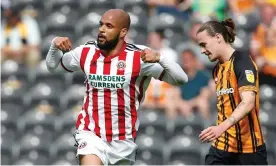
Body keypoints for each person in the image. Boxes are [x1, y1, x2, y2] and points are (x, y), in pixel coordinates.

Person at [45, 9, 188, 165]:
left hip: (123, 140)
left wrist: (160, 57)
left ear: (123, 32)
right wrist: (54, 45)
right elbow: (54, 66)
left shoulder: (138, 57)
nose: (102, 29)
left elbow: (180, 79)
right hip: (91, 134)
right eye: (101, 25)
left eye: (109, 26)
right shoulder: (86, 52)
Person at [196, 18, 267, 165]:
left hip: (249, 149)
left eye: (204, 45)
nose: (202, 51)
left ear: (218, 37)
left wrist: (220, 128)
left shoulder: (242, 61)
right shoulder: (217, 70)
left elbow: (248, 103)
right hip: (222, 147)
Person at [166, 49, 212, 120]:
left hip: (196, 103)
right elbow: (175, 94)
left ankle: (206, 128)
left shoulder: (203, 76)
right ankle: (171, 129)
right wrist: (182, 104)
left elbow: (204, 95)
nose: (186, 62)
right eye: (184, 60)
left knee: (203, 103)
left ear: (194, 60)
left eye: (188, 59)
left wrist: (189, 104)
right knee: (170, 104)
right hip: (182, 104)